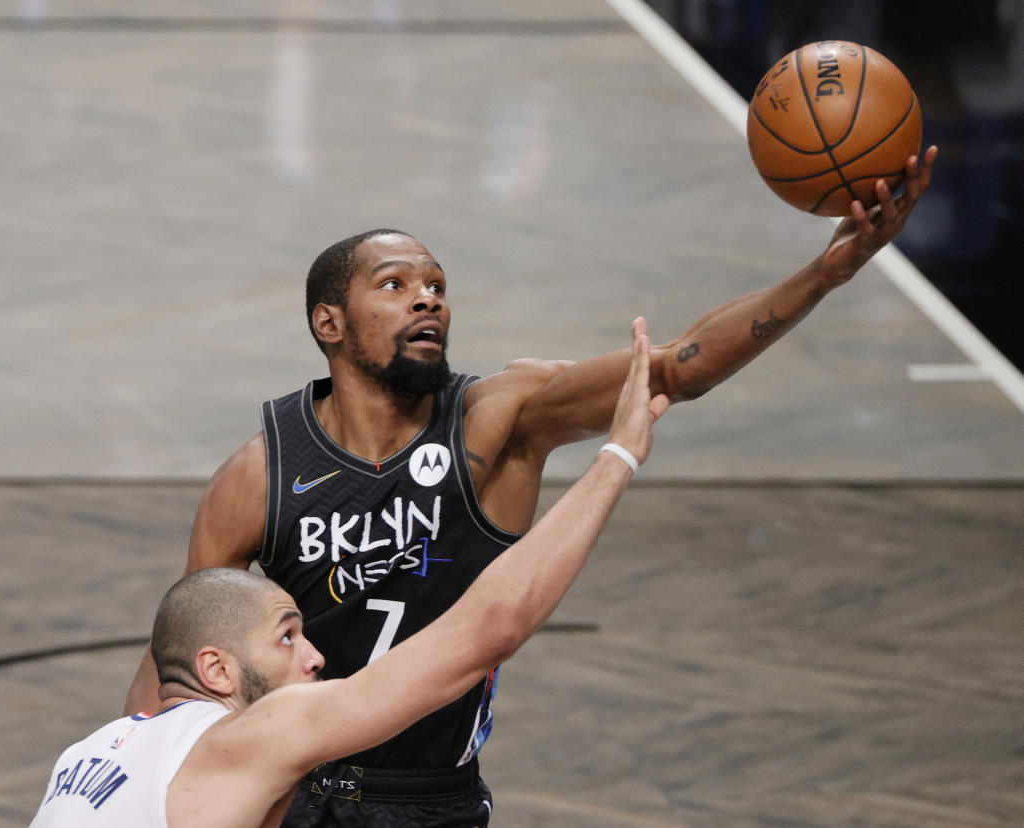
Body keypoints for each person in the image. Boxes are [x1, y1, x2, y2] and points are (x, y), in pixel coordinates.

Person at [122, 147, 938, 826]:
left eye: (437, 284)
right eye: (396, 285)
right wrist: (123, 775)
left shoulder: (500, 418)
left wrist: (826, 274)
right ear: (328, 324)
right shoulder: (258, 474)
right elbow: (181, 664)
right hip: (289, 788)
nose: (428, 299)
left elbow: (680, 366)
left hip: (429, 797)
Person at [32, 318, 668, 828]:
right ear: (216, 669)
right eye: (288, 636)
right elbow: (489, 629)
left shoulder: (90, 753)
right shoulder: (253, 739)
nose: (316, 658)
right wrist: (618, 456)